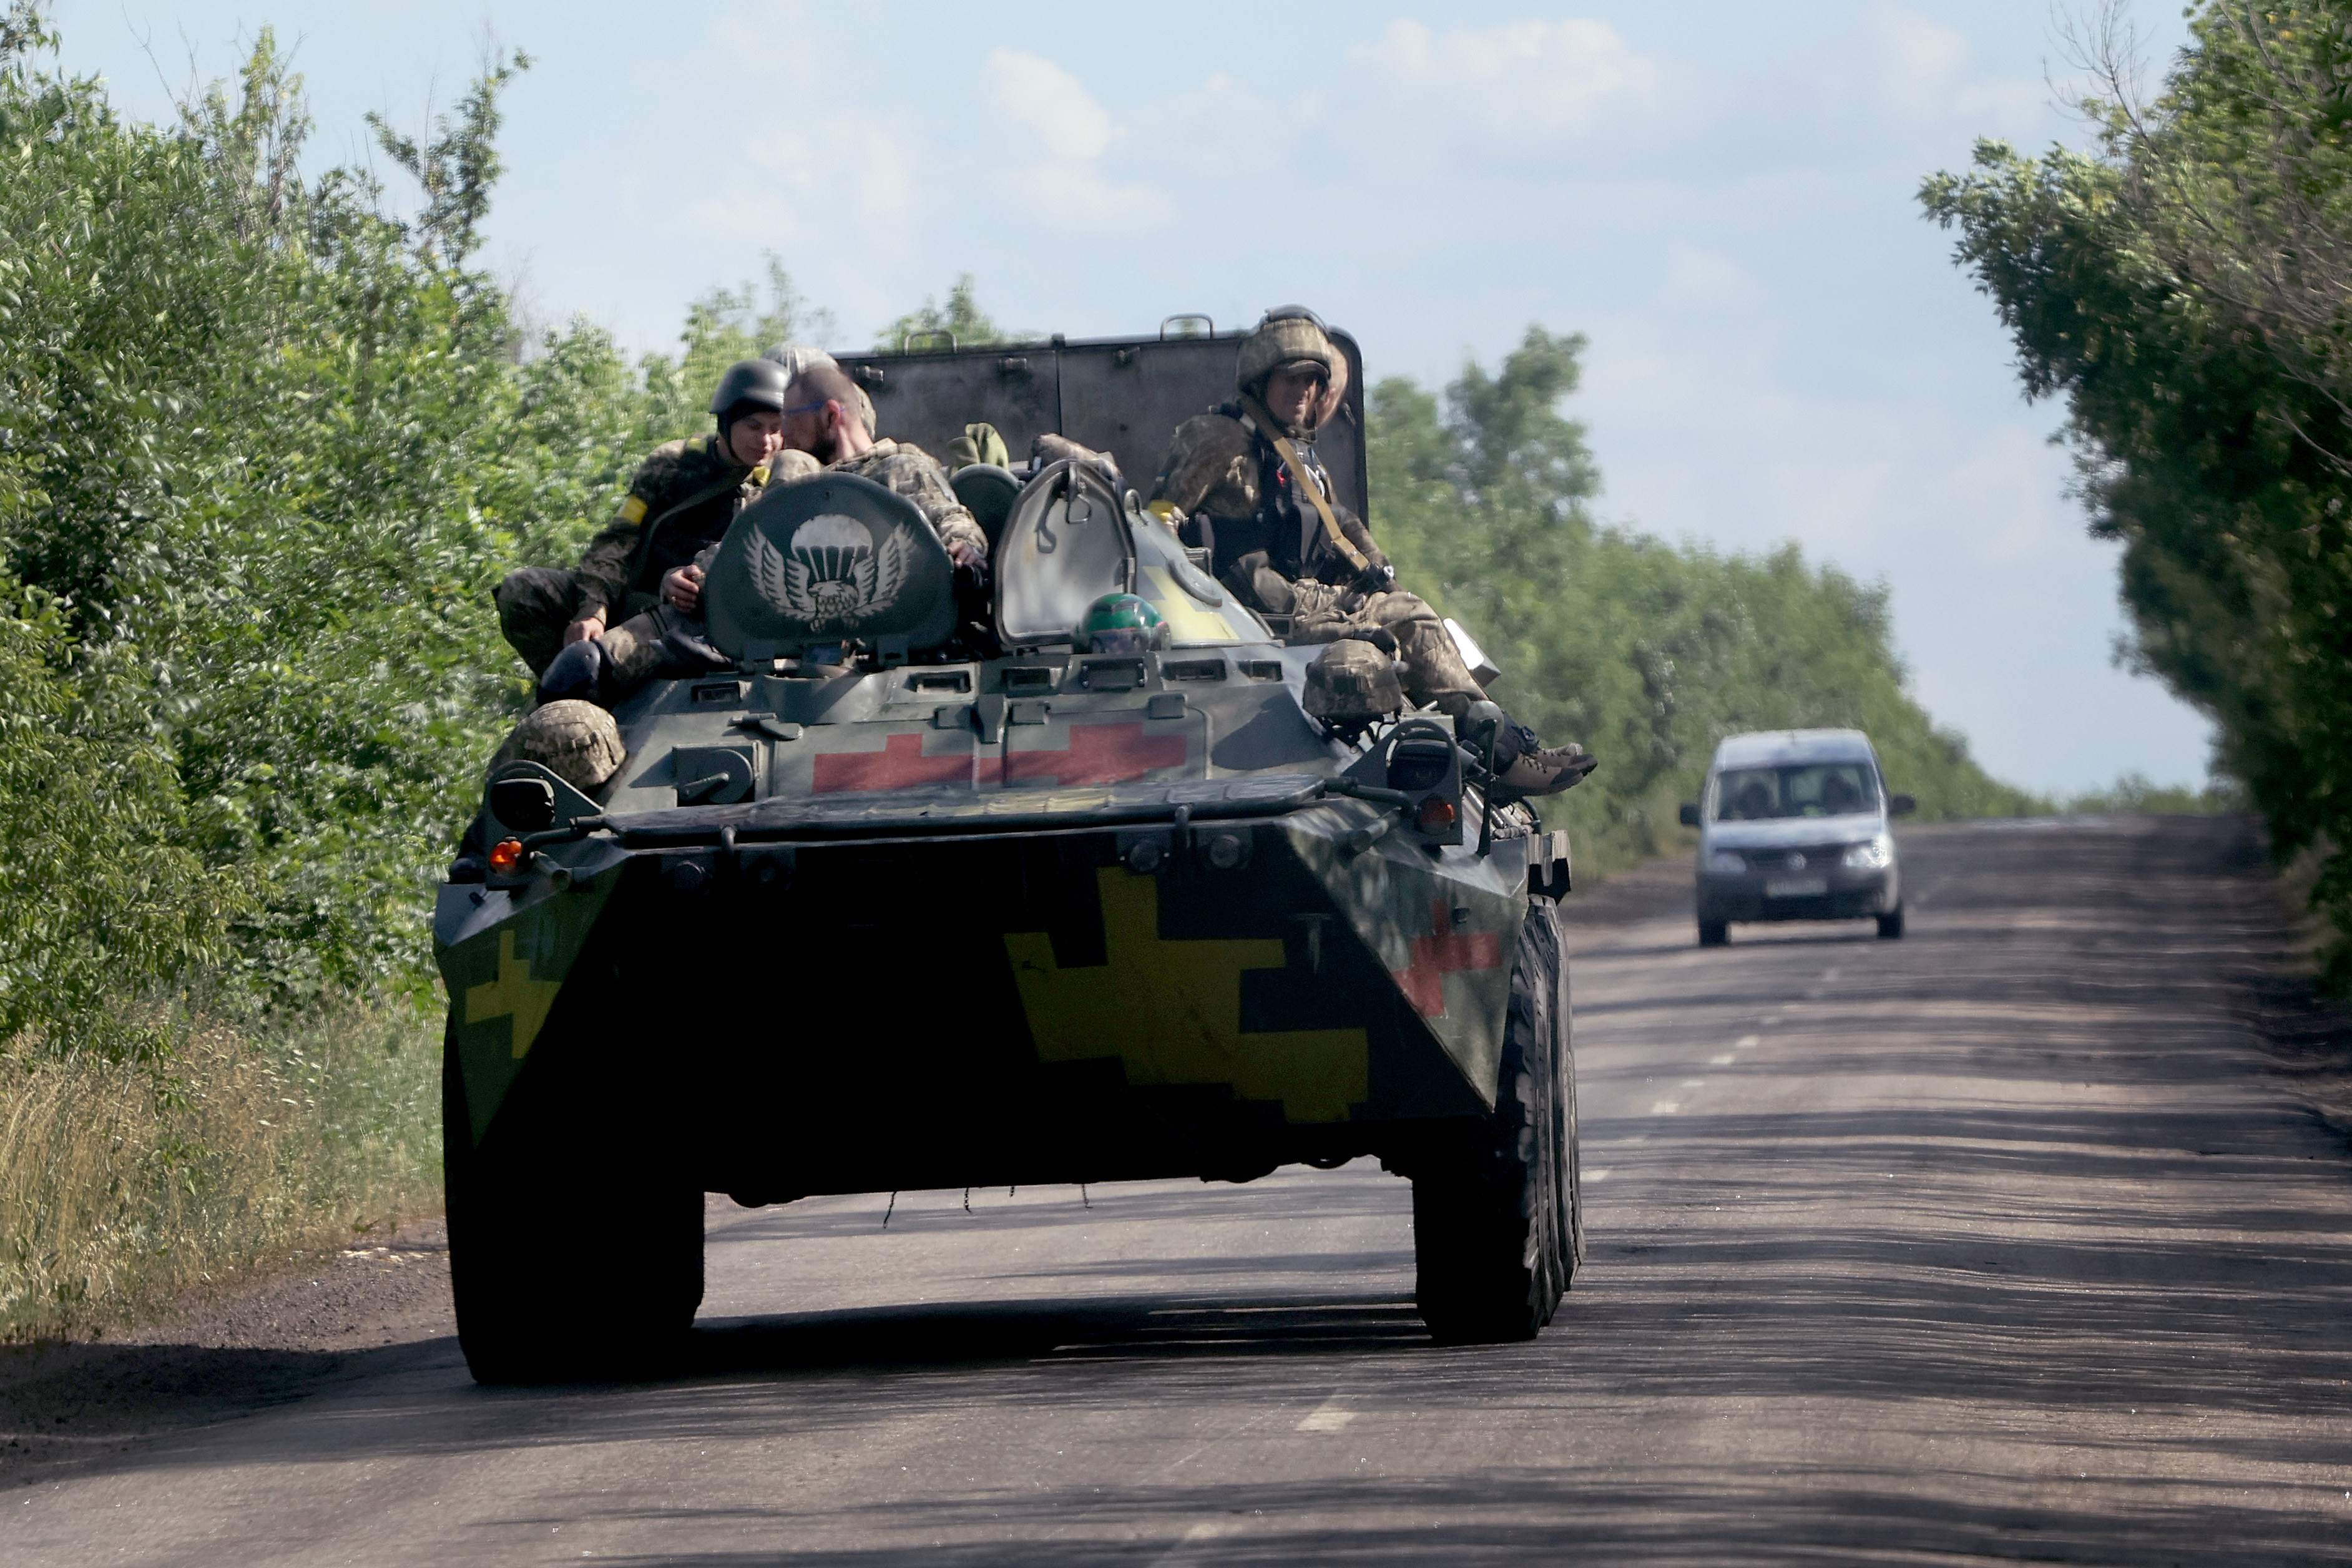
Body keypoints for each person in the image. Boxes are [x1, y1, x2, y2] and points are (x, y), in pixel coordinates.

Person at [1149, 308, 1596, 796]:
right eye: (1289, 379)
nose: (1301, 391)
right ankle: (1505, 758)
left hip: (1309, 600)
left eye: (1311, 381)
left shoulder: (1294, 453)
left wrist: (1378, 573)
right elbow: (1157, 525)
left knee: (1415, 617)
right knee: (1405, 621)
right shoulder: (1219, 438)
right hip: (1259, 612)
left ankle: (1507, 746)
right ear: (1260, 381)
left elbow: (1338, 524)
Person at [494, 359, 801, 679]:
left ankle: (587, 683)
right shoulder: (673, 464)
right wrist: (593, 610)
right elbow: (618, 540)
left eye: (777, 430)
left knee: (597, 666)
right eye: (754, 426)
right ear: (726, 422)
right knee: (523, 589)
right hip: (632, 599)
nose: (766, 441)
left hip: (691, 625)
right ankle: (562, 690)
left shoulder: (776, 487)